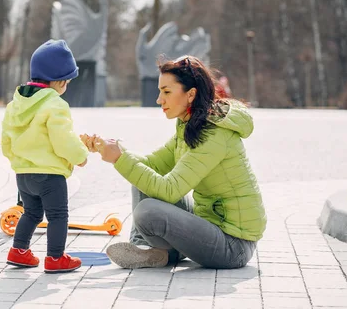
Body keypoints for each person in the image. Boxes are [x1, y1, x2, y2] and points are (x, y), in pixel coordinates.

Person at [81, 55, 266, 270]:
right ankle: (149, 250)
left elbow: (170, 190)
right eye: (160, 92)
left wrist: (120, 159)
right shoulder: (191, 124)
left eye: (167, 92)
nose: (159, 100)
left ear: (191, 94)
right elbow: (152, 163)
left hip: (233, 245)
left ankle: (162, 252)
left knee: (148, 211)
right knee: (142, 175)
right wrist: (110, 148)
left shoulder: (214, 135)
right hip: (208, 224)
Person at [2, 39, 88, 273]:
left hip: (23, 175)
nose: (66, 86)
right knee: (58, 215)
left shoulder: (15, 104)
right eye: (67, 82)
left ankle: (18, 251)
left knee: (31, 213)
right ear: (59, 81)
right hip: (50, 176)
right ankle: (55, 257)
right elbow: (63, 139)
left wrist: (18, 161)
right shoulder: (55, 104)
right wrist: (80, 155)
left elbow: (6, 140)